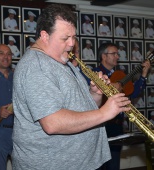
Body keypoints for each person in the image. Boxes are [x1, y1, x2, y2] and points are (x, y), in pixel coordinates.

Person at [12, 4, 131, 170]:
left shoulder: (62, 61)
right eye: (65, 38)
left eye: (74, 37)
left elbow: (79, 107)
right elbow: (53, 123)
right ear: (45, 36)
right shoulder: (36, 66)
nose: (71, 44)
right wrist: (105, 113)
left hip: (82, 163)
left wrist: (94, 94)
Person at [91, 42, 151, 170]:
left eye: (118, 53)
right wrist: (110, 86)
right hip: (101, 126)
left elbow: (133, 92)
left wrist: (144, 74)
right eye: (114, 53)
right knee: (100, 164)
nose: (117, 56)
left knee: (114, 164)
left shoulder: (120, 75)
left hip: (117, 125)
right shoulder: (95, 73)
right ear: (104, 56)